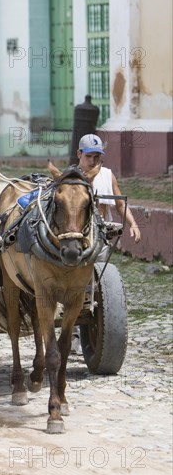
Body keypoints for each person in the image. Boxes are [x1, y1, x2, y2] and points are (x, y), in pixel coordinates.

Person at [48, 133, 142, 354]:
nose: (94, 160)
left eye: (98, 156)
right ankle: (69, 334)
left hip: (98, 239)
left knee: (99, 287)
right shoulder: (70, 179)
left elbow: (119, 205)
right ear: (79, 154)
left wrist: (133, 224)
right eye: (90, 156)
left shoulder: (108, 176)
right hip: (74, 239)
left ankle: (94, 328)